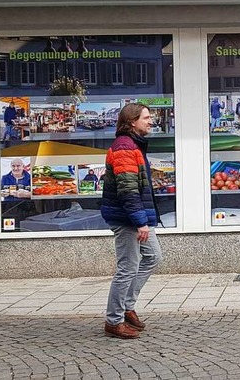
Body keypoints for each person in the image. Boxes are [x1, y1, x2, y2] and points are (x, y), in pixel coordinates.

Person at [101, 103, 162, 339]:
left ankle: (127, 306)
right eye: (146, 117)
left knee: (153, 256)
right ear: (132, 121)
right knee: (127, 266)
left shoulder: (134, 145)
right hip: (127, 218)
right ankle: (113, 320)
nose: (150, 121)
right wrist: (140, 221)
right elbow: (127, 191)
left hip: (136, 216)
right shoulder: (125, 147)